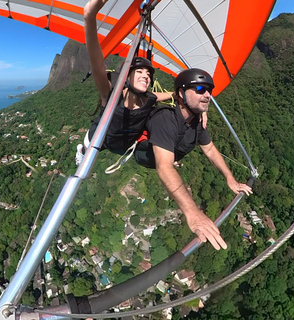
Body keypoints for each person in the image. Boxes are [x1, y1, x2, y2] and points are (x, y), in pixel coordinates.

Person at [135, 68, 253, 250]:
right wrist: (193, 213)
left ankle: (170, 152)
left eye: (209, 90)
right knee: (166, 160)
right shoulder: (165, 118)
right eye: (199, 89)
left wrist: (230, 179)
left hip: (171, 150)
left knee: (174, 154)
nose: (207, 95)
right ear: (181, 93)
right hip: (146, 155)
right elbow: (164, 168)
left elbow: (210, 149)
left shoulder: (197, 121)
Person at [81, 0, 174, 157]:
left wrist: (179, 95)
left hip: (123, 145)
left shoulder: (148, 98)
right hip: (101, 140)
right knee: (87, 151)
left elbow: (164, 95)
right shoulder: (111, 95)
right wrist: (89, 16)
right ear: (127, 76)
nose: (145, 75)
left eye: (148, 74)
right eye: (139, 72)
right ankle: (82, 151)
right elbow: (97, 65)